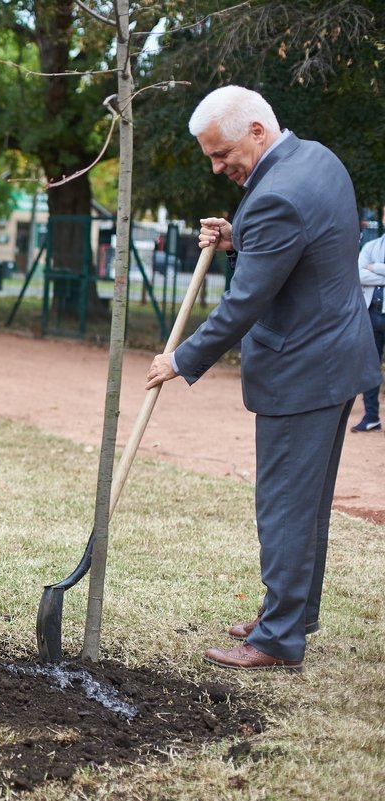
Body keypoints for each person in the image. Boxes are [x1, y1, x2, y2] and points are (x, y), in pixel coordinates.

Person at [145, 86, 379, 671]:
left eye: (222, 154)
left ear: (256, 130)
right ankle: (291, 616)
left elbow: (245, 302)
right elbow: (300, 250)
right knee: (307, 505)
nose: (217, 167)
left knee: (284, 508)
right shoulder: (316, 159)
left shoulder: (276, 195)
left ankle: (277, 639)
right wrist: (240, 239)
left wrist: (181, 358)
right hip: (334, 358)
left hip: (302, 371)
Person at [351, 220, 385, 432]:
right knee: (370, 367)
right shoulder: (371, 246)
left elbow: (366, 272)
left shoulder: (372, 254)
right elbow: (358, 273)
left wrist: (375, 267)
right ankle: (371, 417)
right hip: (372, 314)